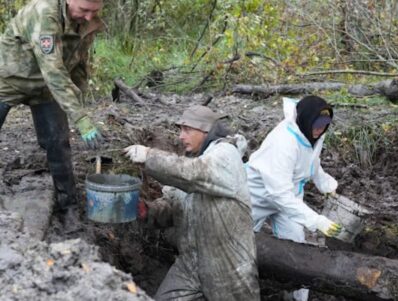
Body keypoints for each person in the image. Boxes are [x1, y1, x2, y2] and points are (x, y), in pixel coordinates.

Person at [123, 105, 260, 301]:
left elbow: (195, 174)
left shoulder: (225, 154)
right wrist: (147, 211)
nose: (180, 136)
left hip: (228, 267)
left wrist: (149, 156)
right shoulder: (191, 160)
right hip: (190, 263)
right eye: (180, 130)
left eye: (187, 130)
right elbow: (174, 205)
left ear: (205, 131)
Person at [0, 0, 105, 224]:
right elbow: (54, 70)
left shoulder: (86, 20)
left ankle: (68, 208)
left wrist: (79, 101)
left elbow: (79, 63)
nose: (89, 17)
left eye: (95, 11)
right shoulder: (45, 13)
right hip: (9, 80)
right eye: (84, 10)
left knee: (59, 144)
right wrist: (81, 118)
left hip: (46, 89)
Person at [246, 95, 343, 301]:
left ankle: (296, 298)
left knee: (297, 251)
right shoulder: (284, 141)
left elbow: (312, 162)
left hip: (288, 197)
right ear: (307, 119)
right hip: (256, 195)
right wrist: (316, 220)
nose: (321, 129)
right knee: (240, 245)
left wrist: (327, 185)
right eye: (318, 123)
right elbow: (279, 194)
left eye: (326, 124)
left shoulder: (313, 134)